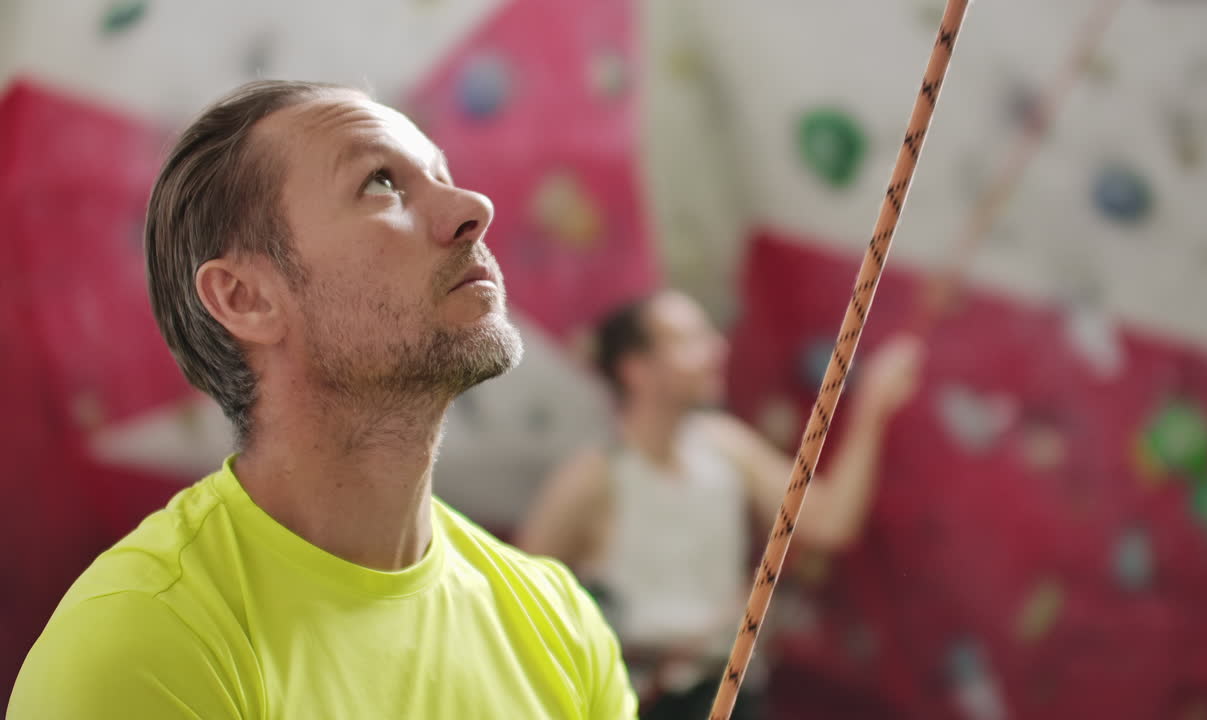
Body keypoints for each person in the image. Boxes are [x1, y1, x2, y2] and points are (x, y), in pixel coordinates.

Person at [8, 80, 635, 719]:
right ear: (245, 298)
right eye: (381, 183)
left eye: (444, 174)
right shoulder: (141, 646)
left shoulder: (558, 623)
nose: (473, 206)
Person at [517, 289, 923, 719]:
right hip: (640, 698)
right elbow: (517, 605)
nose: (717, 349)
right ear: (636, 369)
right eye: (688, 340)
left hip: (728, 694)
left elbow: (829, 522)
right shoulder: (594, 478)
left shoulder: (724, 446)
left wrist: (870, 410)